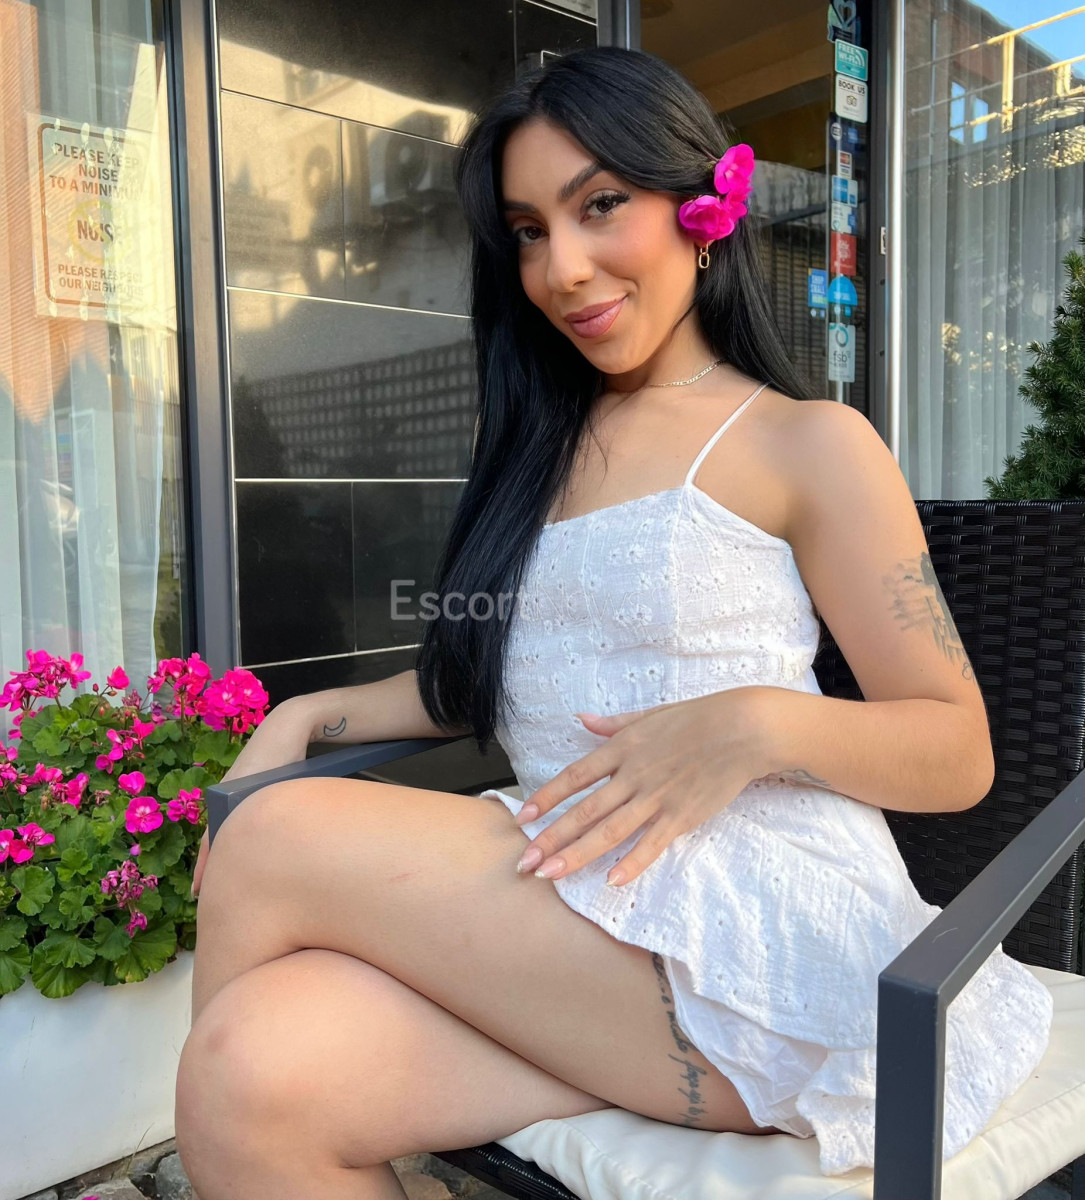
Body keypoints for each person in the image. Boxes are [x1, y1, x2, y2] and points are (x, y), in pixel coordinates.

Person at [176, 46, 1053, 1197]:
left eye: (599, 206)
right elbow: (495, 678)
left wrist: (751, 726)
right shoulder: (534, 451)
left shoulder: (804, 443)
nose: (563, 267)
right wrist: (306, 714)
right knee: (247, 1074)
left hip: (752, 947)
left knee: (270, 838)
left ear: (700, 207)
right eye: (527, 231)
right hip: (572, 920)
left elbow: (956, 747)